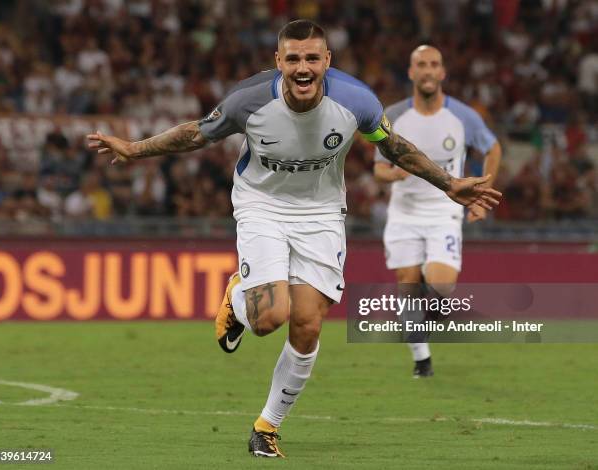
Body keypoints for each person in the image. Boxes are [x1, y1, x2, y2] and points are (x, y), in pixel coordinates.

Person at [88, 21, 501, 458]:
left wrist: (448, 183)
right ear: (278, 62)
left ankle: (266, 426)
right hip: (261, 206)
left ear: (327, 61)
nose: (302, 68)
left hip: (321, 213)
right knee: (270, 319)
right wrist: (135, 148)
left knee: (306, 324)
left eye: (311, 58)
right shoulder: (249, 101)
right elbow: (195, 133)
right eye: (293, 59)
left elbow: (394, 147)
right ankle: (238, 296)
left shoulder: (357, 102)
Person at [374, 45, 502, 378]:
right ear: (411, 72)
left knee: (442, 286)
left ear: (443, 73)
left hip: (444, 211)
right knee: (407, 282)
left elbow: (493, 147)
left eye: (434, 65)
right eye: (421, 65)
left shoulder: (463, 116)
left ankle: (417, 322)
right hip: (403, 211)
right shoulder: (393, 116)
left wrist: (481, 194)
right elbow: (379, 170)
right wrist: (396, 173)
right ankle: (422, 360)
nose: (428, 70)